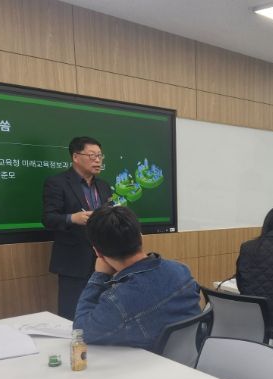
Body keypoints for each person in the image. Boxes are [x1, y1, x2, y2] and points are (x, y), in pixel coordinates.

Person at [73, 206, 202, 351]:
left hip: (151, 364)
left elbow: (81, 332)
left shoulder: (117, 301)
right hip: (193, 360)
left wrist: (99, 277)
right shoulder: (181, 270)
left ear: (97, 252)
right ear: (141, 237)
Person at [42, 136, 113, 320]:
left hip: (104, 259)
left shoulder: (104, 186)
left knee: (103, 311)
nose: (98, 160)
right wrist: (73, 218)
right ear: (76, 157)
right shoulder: (57, 183)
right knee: (72, 313)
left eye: (100, 156)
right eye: (92, 155)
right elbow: (48, 219)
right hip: (74, 261)